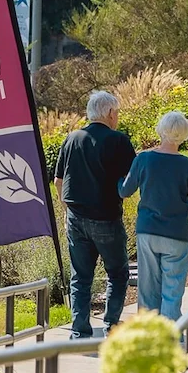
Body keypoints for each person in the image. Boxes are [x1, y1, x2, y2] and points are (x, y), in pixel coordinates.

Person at [118, 110, 188, 321]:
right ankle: (172, 336)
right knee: (172, 290)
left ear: (161, 130)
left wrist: (118, 179)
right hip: (177, 234)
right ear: (184, 134)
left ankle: (149, 334)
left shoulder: (143, 159)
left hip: (148, 231)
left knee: (147, 288)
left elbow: (125, 191)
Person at [53, 90, 137, 338]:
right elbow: (130, 183)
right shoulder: (118, 141)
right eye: (117, 112)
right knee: (118, 273)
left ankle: (80, 330)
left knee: (81, 277)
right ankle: (111, 323)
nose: (118, 117)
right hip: (106, 218)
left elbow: (58, 180)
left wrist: (66, 208)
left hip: (75, 217)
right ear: (110, 113)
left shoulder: (72, 138)